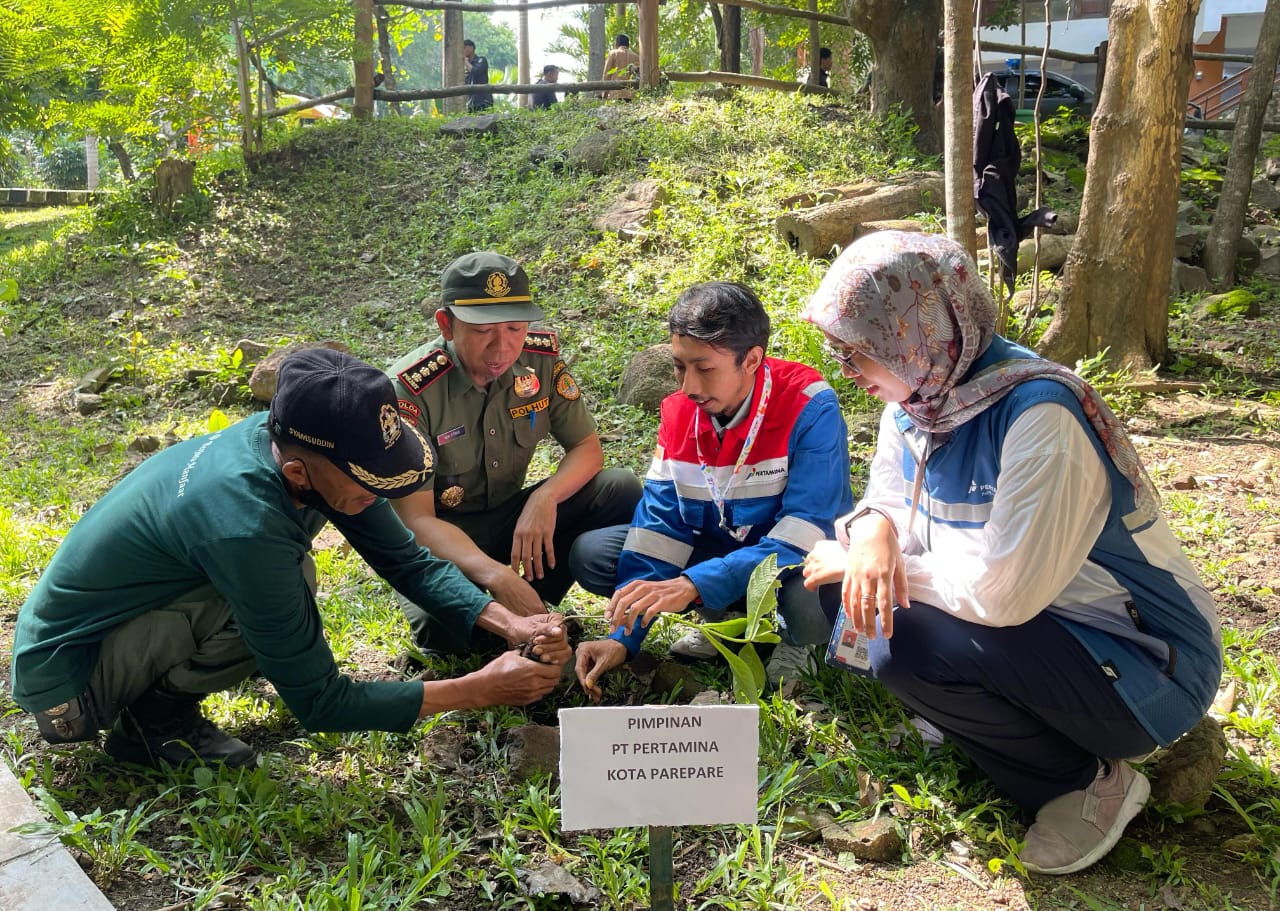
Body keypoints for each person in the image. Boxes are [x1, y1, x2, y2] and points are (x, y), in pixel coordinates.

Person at [799, 231, 1223, 875]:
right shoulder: (919, 401)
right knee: (851, 580)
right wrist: (870, 533)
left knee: (898, 638)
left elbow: (1006, 594)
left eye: (860, 354)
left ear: (915, 337)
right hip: (1040, 632)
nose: (850, 375)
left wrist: (881, 564)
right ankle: (977, 718)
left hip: (1143, 665)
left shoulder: (1038, 416)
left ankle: (1083, 782)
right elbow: (882, 500)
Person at [10, 349, 570, 768]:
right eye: (367, 483)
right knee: (289, 580)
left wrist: (507, 621)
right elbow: (321, 702)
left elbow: (406, 561)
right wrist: (478, 688)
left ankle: (160, 699)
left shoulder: (300, 446)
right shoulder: (245, 523)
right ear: (299, 472)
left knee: (284, 586)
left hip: (131, 619)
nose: (377, 497)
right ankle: (151, 727)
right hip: (71, 682)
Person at [571, 282, 854, 698]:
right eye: (678, 367)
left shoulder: (809, 406)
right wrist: (622, 637)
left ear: (752, 359)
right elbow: (658, 527)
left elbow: (806, 532)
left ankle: (799, 642)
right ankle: (723, 620)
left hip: (793, 565)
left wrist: (692, 584)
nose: (688, 386)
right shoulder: (679, 411)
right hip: (719, 555)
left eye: (704, 369)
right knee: (594, 555)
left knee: (811, 594)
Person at [387, 252, 642, 654]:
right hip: (443, 538)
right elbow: (417, 521)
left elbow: (587, 449)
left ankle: (533, 603)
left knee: (619, 487)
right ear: (446, 325)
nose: (501, 347)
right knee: (443, 631)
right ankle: (513, 611)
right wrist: (498, 577)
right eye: (482, 331)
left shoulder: (538, 362)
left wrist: (545, 497)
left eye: (514, 328)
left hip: (510, 520)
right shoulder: (410, 391)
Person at [602, 34, 641, 101]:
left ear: (616, 44)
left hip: (615, 93)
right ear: (628, 45)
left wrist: (604, 93)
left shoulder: (613, 54)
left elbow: (607, 74)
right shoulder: (636, 56)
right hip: (632, 95)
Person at [463, 39, 493, 112]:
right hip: (471, 103)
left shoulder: (481, 60)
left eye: (464, 48)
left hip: (483, 101)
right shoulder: (465, 67)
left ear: (471, 48)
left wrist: (465, 61)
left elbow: (476, 71)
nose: (462, 51)